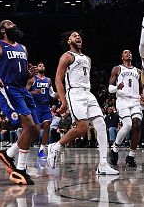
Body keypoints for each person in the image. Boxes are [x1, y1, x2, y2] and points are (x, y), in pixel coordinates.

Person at [46, 31, 118, 175]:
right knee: (82, 127)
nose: (78, 37)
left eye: (79, 36)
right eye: (74, 35)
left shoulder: (88, 59)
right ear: (68, 41)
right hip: (75, 93)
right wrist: (64, 100)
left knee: (101, 125)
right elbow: (58, 79)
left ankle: (103, 164)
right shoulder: (67, 56)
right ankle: (55, 147)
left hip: (88, 93)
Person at [0, 19, 39, 185]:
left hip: (22, 89)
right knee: (29, 126)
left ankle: (8, 154)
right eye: (9, 24)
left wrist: (29, 73)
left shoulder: (23, 48)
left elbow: (22, 74)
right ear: (2, 30)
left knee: (35, 131)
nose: (14, 25)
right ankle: (20, 170)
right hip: (8, 89)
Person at [108, 50, 144, 168]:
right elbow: (110, 89)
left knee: (137, 124)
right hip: (122, 101)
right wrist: (117, 87)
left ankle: (131, 156)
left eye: (130, 53)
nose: (128, 54)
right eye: (125, 53)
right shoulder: (117, 69)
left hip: (135, 101)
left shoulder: (138, 71)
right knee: (128, 125)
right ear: (122, 56)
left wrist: (143, 94)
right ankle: (115, 148)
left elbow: (141, 88)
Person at [27, 62, 56, 158]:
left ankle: (42, 149)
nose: (42, 66)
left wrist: (57, 95)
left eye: (43, 65)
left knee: (47, 125)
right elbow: (25, 92)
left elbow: (52, 93)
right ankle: (24, 144)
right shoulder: (32, 79)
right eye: (40, 65)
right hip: (36, 107)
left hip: (46, 106)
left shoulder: (48, 80)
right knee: (36, 130)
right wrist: (33, 92)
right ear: (37, 68)